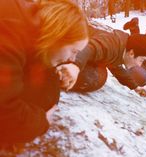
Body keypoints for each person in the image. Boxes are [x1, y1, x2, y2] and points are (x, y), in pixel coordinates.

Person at [0, 0, 88, 145]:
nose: (72, 59)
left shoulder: (31, 25)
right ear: (58, 34)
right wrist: (42, 121)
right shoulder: (10, 31)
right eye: (73, 51)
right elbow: (5, 115)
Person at [57, 21, 146, 95]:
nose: (139, 65)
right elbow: (89, 48)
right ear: (132, 53)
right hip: (61, 39)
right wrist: (75, 66)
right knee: (95, 76)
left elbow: (117, 68)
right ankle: (57, 74)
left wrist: (135, 87)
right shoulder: (111, 43)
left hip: (71, 48)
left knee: (100, 74)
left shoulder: (120, 48)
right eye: (141, 60)